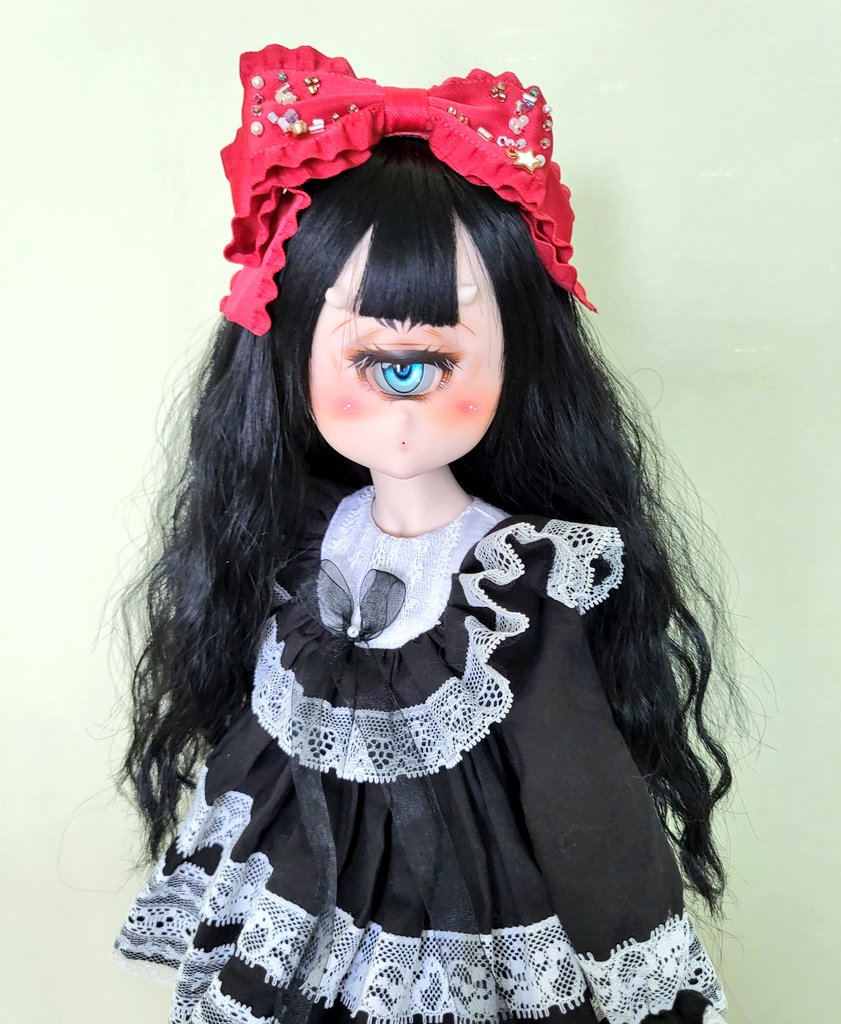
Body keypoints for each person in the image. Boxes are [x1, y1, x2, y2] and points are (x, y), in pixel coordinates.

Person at [112, 43, 735, 1024]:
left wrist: (644, 977)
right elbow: (255, 763)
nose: (397, 409)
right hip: (297, 921)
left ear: (520, 359)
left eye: (422, 365)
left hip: (462, 929)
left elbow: (580, 793)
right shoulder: (303, 546)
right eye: (367, 361)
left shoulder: (515, 577)